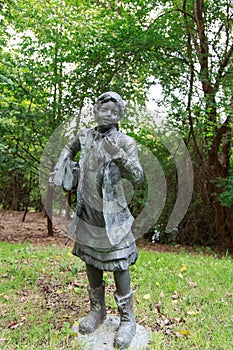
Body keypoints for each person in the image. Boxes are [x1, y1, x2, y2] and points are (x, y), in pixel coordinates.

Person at [50, 91, 144, 349]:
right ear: (95, 111)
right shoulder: (86, 136)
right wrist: (61, 165)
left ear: (120, 115)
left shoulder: (126, 141)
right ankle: (97, 310)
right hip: (88, 212)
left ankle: (127, 319)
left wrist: (119, 156)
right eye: (105, 110)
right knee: (91, 260)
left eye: (114, 111)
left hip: (112, 216)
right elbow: (68, 149)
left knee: (119, 264)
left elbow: (138, 176)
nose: (109, 115)